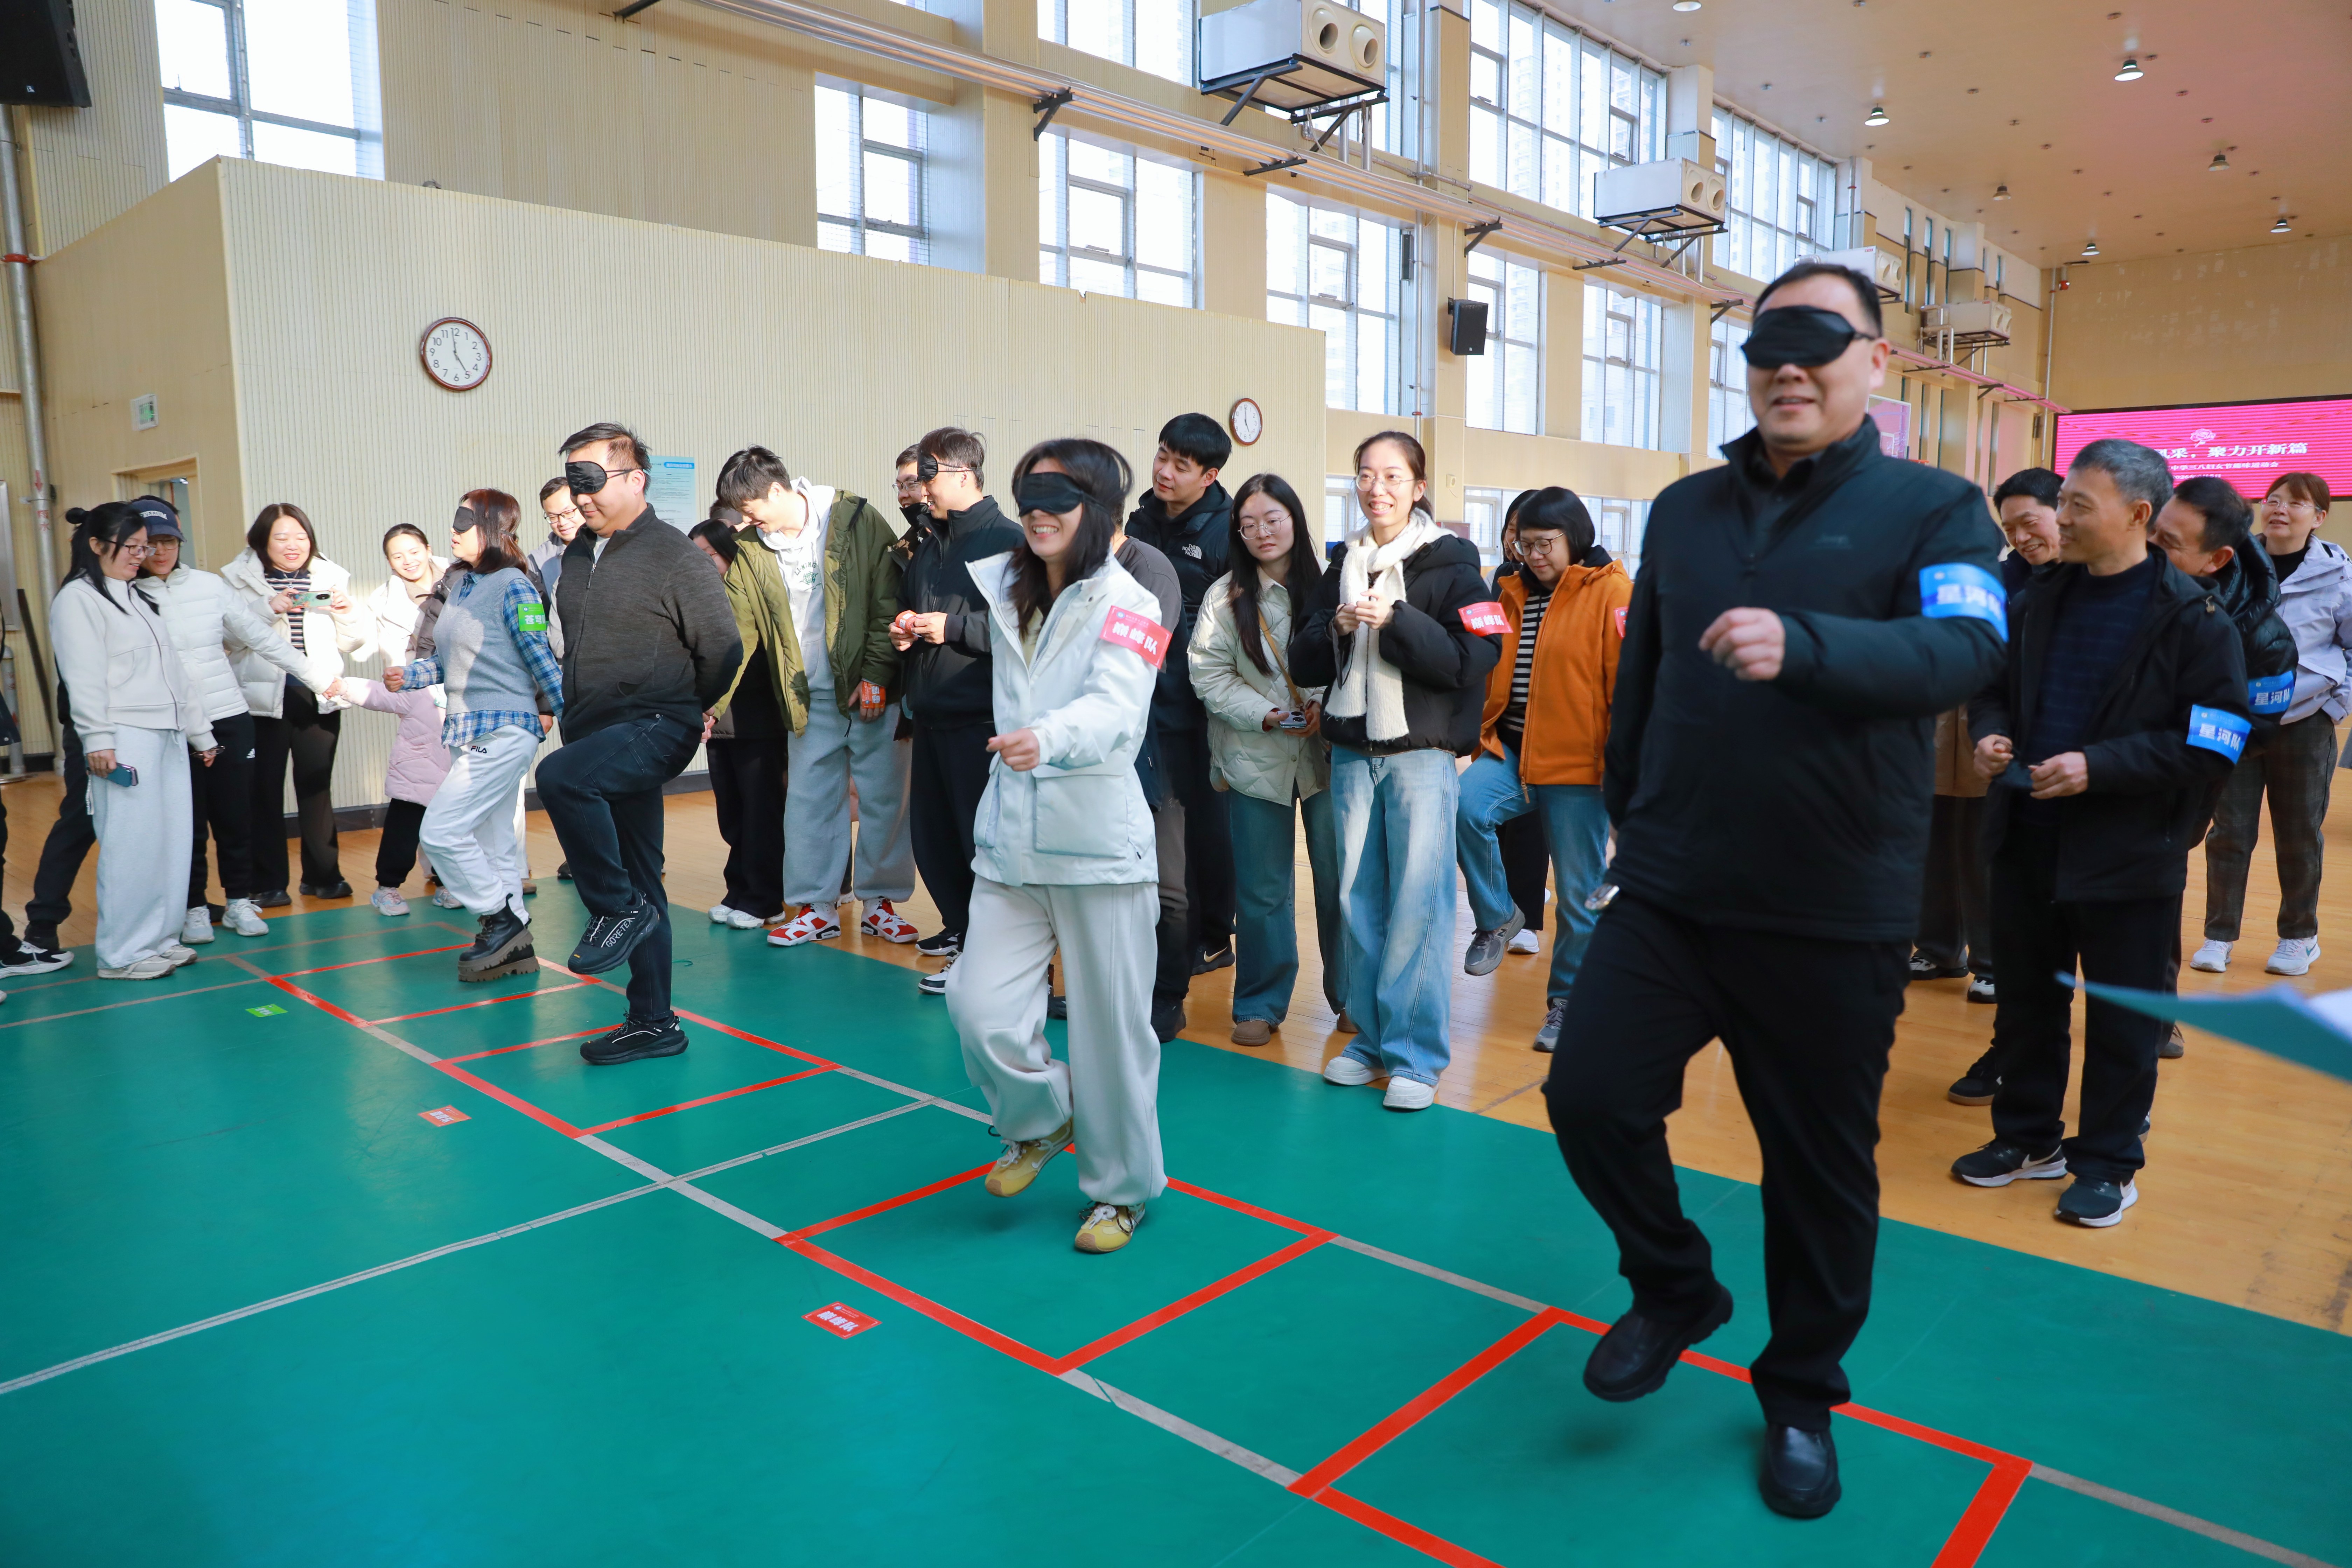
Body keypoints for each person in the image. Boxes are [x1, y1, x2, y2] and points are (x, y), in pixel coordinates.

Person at [1542, 260, 2007, 1519]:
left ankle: (1799, 1389)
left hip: (1829, 904)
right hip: (1670, 886)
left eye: (1818, 338)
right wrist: (1629, 816)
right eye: (1765, 342)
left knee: (1813, 1168)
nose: (1787, 365)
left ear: (1875, 362)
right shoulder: (1685, 510)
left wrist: (1803, 645)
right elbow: (1643, 677)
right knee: (1588, 1095)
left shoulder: (1934, 509)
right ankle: (1673, 1284)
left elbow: (1963, 647)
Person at [1955, 439, 2247, 1230]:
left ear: (2138, 515)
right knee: (2027, 1004)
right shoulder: (2038, 598)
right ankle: (2027, 1138)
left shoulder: (2195, 621)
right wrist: (1990, 734)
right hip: (2028, 836)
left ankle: (2110, 1163)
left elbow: (2215, 742)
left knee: (2122, 1020)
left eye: (2079, 504)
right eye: (2064, 502)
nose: (2062, 518)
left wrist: (2100, 766)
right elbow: (1992, 687)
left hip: (2130, 853)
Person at [945, 439, 1169, 1255]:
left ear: (1099, 511)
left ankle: (1122, 1191)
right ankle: (1041, 1117)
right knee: (978, 1007)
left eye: (1059, 500)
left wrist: (1049, 737)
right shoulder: (1007, 588)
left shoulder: (1134, 604)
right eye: (1028, 498)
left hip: (1097, 850)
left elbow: (1118, 709)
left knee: (1112, 1037)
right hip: (1010, 846)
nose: (1038, 514)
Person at [1289, 431, 1502, 1112]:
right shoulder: (1343, 562)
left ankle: (1417, 1056)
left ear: (1418, 487)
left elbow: (1473, 659)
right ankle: (1372, 1042)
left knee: (1420, 906)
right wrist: (1338, 627)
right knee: (1358, 901)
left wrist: (1399, 619)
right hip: (1354, 754)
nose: (1376, 488)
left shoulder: (1454, 563)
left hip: (1420, 757)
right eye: (1365, 474)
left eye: (1391, 476)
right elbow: (1302, 658)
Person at [537, 422, 742, 1063]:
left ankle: (614, 909)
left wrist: (687, 706)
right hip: (597, 730)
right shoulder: (576, 556)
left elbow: (723, 648)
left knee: (561, 778)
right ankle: (655, 1022)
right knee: (645, 884)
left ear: (636, 480)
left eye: (592, 481)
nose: (581, 496)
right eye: (574, 482)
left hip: (657, 724)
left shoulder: (674, 554)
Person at [709, 447, 916, 950]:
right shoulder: (752, 550)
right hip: (808, 697)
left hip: (870, 691)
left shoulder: (855, 519)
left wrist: (877, 674)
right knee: (808, 804)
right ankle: (817, 908)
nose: (745, 520)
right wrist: (711, 704)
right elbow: (738, 635)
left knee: (885, 799)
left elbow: (887, 599)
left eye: (749, 508)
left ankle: (880, 904)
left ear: (777, 490)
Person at [1454, 487, 1632, 1053]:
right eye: (1524, 544)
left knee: (1579, 895)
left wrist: (1623, 768)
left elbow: (1627, 684)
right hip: (1510, 752)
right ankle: (1498, 916)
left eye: (1544, 544)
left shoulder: (1612, 591)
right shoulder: (1510, 589)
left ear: (1573, 538)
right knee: (1464, 808)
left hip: (1578, 764)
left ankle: (1568, 1004)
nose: (1533, 555)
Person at [383, 491, 564, 982]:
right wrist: (411, 675)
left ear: (490, 527)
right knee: (497, 843)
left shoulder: (515, 585)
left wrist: (572, 717)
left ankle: (499, 919)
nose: (453, 530)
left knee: (440, 832)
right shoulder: (462, 585)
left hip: (506, 729)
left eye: (463, 521)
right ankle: (516, 941)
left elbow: (541, 659)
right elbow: (451, 662)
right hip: (467, 730)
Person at [1187, 472, 1340, 1046]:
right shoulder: (1224, 597)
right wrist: (1266, 714)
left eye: (1273, 519)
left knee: (1340, 881)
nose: (1262, 532)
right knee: (1262, 889)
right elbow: (1209, 674)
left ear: (1295, 520)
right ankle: (1259, 1002)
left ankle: (1351, 997)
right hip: (1253, 754)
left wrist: (1324, 704)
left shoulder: (1331, 588)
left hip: (1326, 757)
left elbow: (1352, 661)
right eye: (1248, 524)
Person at [135, 496, 316, 945]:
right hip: (172, 726)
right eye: (151, 543)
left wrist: (316, 676)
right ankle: (195, 907)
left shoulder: (209, 585)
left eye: (169, 542)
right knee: (189, 822)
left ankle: (238, 901)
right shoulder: (127, 595)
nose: (161, 551)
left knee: (237, 817)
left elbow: (256, 636)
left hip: (228, 717)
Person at [1941, 468, 2068, 1103]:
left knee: (2124, 956)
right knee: (2026, 947)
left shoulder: (2143, 591)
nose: (2020, 538)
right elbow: (1990, 686)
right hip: (2023, 796)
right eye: (2010, 528)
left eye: (2030, 522)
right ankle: (2011, 1057)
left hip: (2115, 807)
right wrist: (1990, 733)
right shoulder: (2012, 590)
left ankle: (2129, 1079)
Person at [51, 503, 220, 980]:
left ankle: (160, 939)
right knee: (132, 846)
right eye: (131, 547)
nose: (140, 556)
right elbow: (83, 678)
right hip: (124, 737)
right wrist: (98, 740)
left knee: (171, 843)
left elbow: (175, 674)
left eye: (143, 547)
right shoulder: (78, 599)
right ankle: (122, 953)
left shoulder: (136, 596)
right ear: (96, 545)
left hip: (167, 735)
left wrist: (201, 732)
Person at [2193, 472, 2347, 979]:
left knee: (2299, 833)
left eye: (2295, 503)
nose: (2280, 509)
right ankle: (2219, 936)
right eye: (2273, 500)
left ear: (2319, 517)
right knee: (2229, 832)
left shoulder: (2340, 574)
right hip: (2236, 716)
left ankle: (2299, 937)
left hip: (2305, 720)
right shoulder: (2230, 561)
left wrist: (2335, 703)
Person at [892, 427, 1023, 994]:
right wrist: (906, 630)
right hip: (932, 715)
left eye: (928, 473)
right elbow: (916, 608)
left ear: (963, 474)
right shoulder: (929, 544)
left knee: (981, 847)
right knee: (936, 841)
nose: (919, 486)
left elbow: (1026, 629)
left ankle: (992, 959)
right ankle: (966, 939)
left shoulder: (1007, 541)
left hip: (982, 721)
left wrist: (954, 629)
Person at [1126, 413, 1239, 976]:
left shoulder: (1228, 531)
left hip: (1202, 702)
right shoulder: (1140, 520)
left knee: (1206, 826)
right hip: (1145, 694)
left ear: (1210, 476)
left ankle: (1214, 936)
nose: (1165, 472)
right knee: (1157, 821)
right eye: (1162, 456)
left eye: (1181, 465)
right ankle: (1165, 929)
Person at [221, 503, 369, 904]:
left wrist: (347, 612)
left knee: (317, 787)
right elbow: (227, 640)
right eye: (282, 537)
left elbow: (353, 642)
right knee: (264, 792)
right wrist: (266, 609)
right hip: (261, 700)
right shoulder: (236, 580)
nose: (293, 545)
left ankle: (324, 875)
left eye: (301, 537)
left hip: (317, 695)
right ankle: (267, 883)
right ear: (261, 541)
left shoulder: (328, 576)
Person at [690, 511, 790, 928]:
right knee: (732, 814)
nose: (703, 565)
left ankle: (766, 899)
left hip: (757, 721)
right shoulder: (704, 603)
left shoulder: (754, 595)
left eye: (709, 555)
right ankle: (739, 889)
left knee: (761, 813)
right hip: (719, 726)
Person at [1490, 491, 1549, 960]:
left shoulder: (1565, 583)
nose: (1517, 541)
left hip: (1547, 730)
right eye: (1513, 530)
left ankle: (1526, 913)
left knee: (1529, 822)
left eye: (1526, 534)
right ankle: (1508, 903)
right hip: (1501, 720)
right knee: (1492, 822)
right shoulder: (1502, 578)